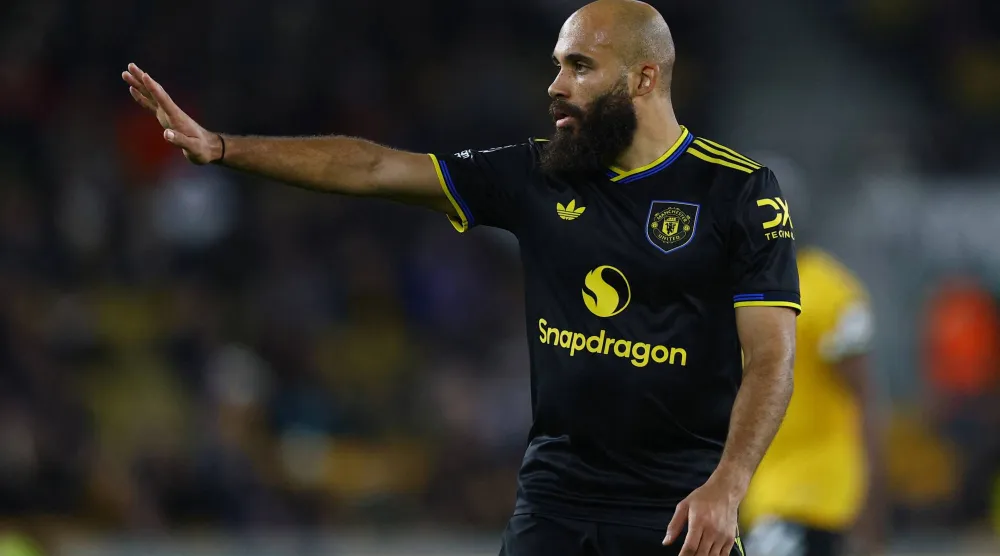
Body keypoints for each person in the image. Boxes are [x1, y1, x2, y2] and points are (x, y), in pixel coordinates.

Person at [121, 1, 799, 554]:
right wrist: (222, 147)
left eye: (580, 67)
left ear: (645, 79)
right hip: (555, 503)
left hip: (681, 506)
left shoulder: (736, 192)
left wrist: (728, 487)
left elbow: (770, 358)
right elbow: (375, 168)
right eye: (558, 65)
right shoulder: (540, 173)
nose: (555, 86)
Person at [740, 237, 884, 553]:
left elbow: (864, 400)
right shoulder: (742, 290)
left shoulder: (828, 291)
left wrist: (872, 512)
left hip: (817, 501)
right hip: (764, 498)